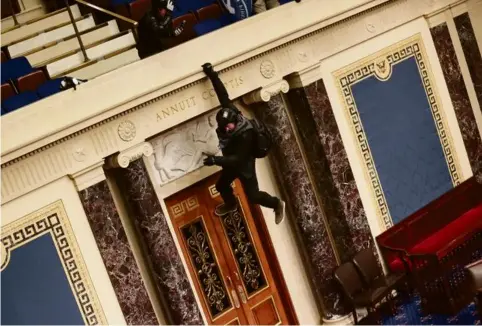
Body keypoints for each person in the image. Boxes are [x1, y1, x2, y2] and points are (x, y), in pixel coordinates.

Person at [201, 62, 285, 224]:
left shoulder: (245, 134)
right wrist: (212, 75)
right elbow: (223, 95)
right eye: (223, 127)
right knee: (221, 186)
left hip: (244, 165)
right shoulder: (232, 112)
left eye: (228, 126)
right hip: (231, 162)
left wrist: (215, 160)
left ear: (234, 121)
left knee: (253, 196)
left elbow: (237, 159)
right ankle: (231, 204)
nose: (226, 129)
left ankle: (276, 203)